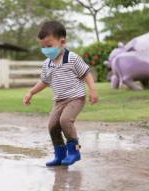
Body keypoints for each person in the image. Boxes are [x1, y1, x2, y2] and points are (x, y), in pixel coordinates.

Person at [24, 20, 99, 167]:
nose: (46, 50)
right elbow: (44, 81)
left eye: (49, 46)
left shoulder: (72, 58)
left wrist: (93, 90)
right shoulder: (48, 63)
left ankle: (75, 152)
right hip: (59, 100)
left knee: (65, 121)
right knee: (52, 126)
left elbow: (86, 74)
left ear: (62, 41)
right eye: (43, 47)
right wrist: (31, 92)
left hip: (75, 98)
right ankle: (60, 155)